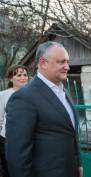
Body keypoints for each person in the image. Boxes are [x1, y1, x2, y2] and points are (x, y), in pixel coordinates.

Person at [5, 41, 83, 177]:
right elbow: (17, 154)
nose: (67, 67)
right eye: (61, 62)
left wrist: (78, 164)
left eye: (67, 62)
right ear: (42, 63)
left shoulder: (64, 92)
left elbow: (71, 135)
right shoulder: (24, 98)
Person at [0, 65, 29, 177]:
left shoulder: (33, 94)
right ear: (11, 79)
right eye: (19, 75)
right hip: (7, 140)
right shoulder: (3, 95)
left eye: (25, 75)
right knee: (9, 171)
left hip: (28, 140)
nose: (23, 77)